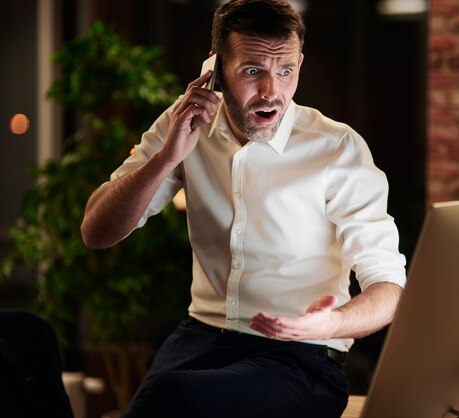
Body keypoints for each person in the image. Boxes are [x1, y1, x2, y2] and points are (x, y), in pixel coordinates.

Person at [81, 0, 406, 416]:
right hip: (198, 339)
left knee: (177, 399)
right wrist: (166, 157)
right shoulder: (181, 125)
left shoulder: (338, 148)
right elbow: (96, 232)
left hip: (298, 355)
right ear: (215, 71)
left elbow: (388, 289)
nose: (272, 91)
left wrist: (330, 325)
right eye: (252, 71)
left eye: (285, 71)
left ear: (299, 66)